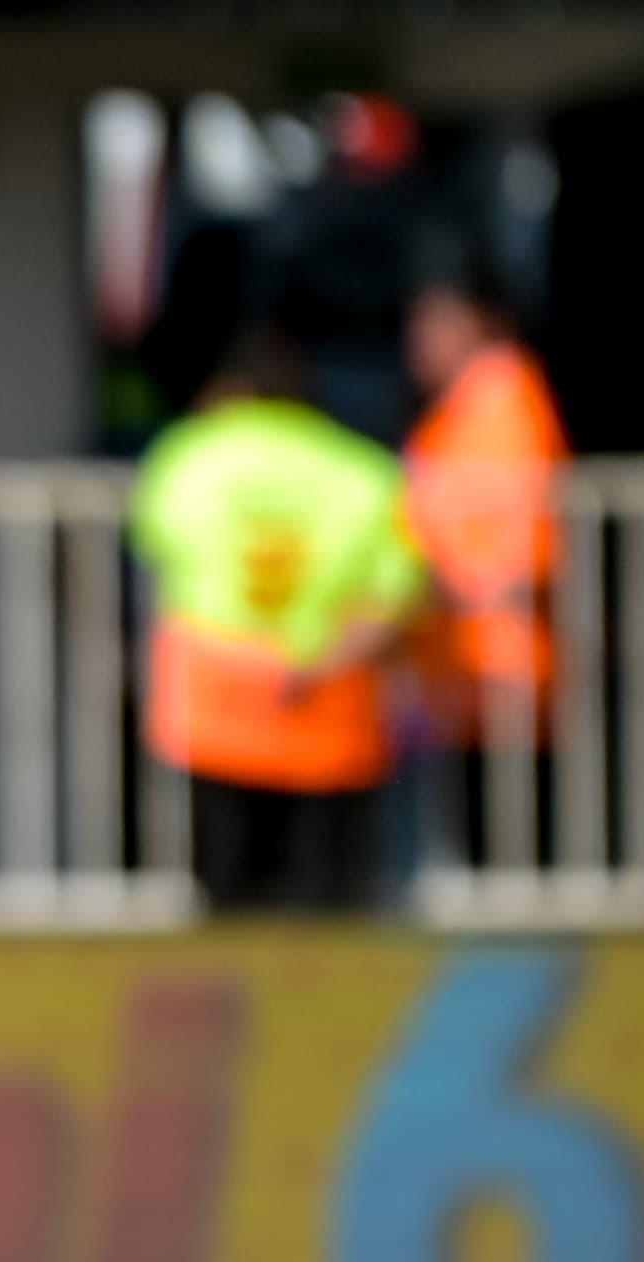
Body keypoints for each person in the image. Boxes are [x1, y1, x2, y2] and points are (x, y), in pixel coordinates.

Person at [128, 330, 425, 908]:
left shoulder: (188, 456)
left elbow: (159, 556)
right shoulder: (362, 468)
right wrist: (315, 662)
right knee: (328, 903)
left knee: (228, 894)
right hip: (327, 698)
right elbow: (395, 593)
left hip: (217, 699)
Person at [402, 270, 570, 865]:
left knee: (512, 847)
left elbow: (518, 532)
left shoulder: (501, 395)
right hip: (465, 656)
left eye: (439, 324)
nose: (421, 341)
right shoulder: (465, 405)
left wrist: (464, 591)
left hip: (501, 653)